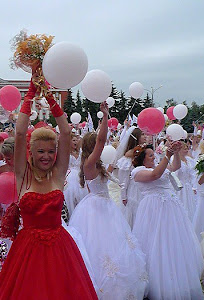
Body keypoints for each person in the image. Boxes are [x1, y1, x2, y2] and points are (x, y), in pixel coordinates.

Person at [0, 74, 97, 299]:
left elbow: (66, 132)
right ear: (32, 152)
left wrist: (49, 95)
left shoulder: (58, 174)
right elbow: (19, 133)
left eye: (51, 151)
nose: (47, 156)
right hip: (27, 251)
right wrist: (29, 95)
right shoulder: (23, 175)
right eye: (41, 151)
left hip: (60, 248)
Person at [69, 103, 147, 300]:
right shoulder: (88, 164)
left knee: (114, 245)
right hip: (97, 208)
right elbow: (102, 140)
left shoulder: (95, 165)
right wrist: (104, 116)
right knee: (98, 247)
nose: (101, 148)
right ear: (92, 148)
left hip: (104, 205)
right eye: (97, 146)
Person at [131, 143, 204, 299]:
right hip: (154, 209)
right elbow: (155, 175)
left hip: (171, 207)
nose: (153, 157)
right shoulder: (137, 171)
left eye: (153, 154)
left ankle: (179, 276)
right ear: (143, 159)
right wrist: (167, 155)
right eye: (150, 155)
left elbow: (175, 167)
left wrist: (176, 153)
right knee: (156, 242)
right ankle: (159, 282)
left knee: (174, 241)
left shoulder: (160, 165)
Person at [115, 126, 146, 228]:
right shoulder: (128, 158)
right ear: (136, 137)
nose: (145, 136)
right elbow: (123, 180)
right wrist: (123, 196)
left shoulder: (145, 152)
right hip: (134, 191)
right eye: (142, 135)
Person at [63, 133, 88, 218]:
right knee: (70, 196)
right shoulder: (65, 152)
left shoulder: (80, 152)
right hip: (69, 177)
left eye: (76, 140)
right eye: (73, 140)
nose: (76, 142)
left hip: (80, 176)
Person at [175, 139, 198, 220]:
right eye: (184, 149)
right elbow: (174, 175)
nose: (187, 150)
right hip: (180, 187)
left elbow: (193, 173)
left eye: (187, 148)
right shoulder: (174, 160)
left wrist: (194, 186)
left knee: (191, 205)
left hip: (189, 187)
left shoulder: (189, 160)